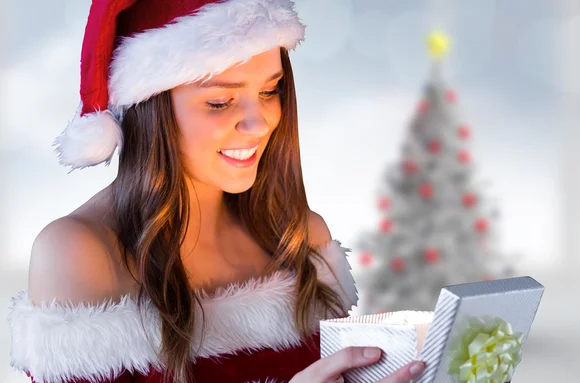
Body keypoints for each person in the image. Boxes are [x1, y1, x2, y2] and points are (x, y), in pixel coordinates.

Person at [7, 1, 427, 383]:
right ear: (150, 107)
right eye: (220, 102)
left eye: (269, 91)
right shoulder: (80, 254)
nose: (259, 123)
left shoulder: (298, 235)